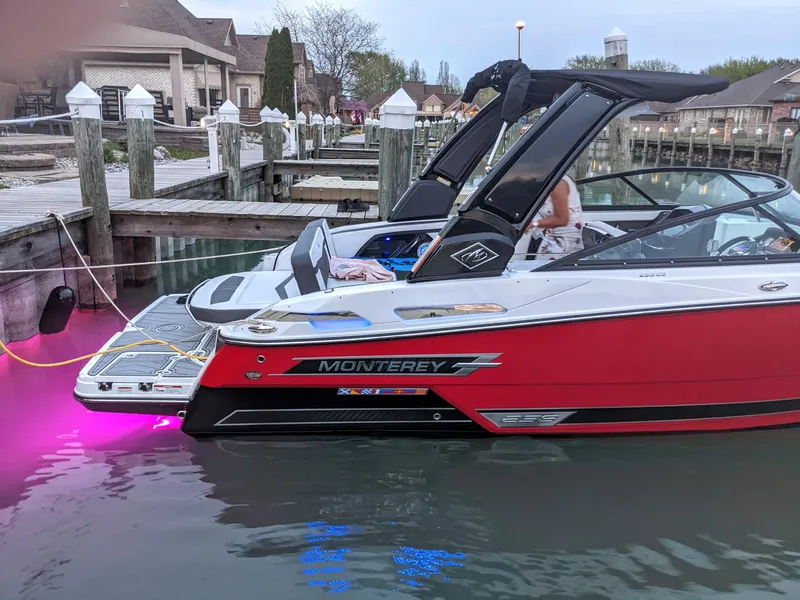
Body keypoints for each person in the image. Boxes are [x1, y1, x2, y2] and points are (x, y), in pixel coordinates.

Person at [515, 174, 584, 260]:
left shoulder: (558, 184)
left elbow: (562, 220)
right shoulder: (546, 182)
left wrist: (533, 224)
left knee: (541, 268)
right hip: (551, 236)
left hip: (564, 241)